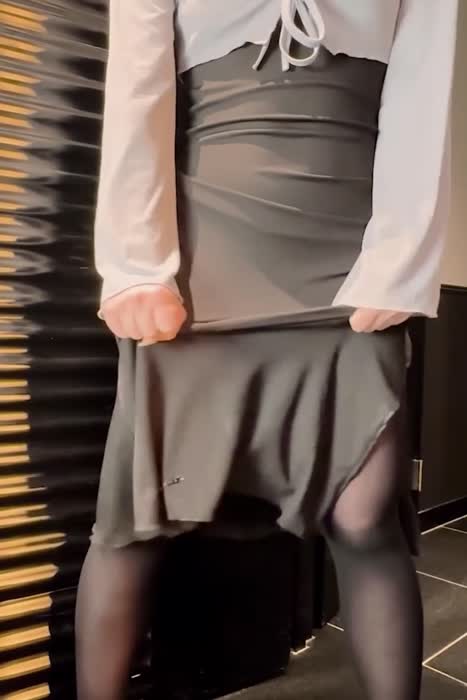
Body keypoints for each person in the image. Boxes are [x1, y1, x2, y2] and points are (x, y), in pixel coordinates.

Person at [75, 1, 459, 698]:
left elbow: (424, 90)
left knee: (365, 517)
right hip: (205, 255)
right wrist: (135, 266)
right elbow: (138, 81)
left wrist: (400, 265)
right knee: (138, 516)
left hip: (348, 263)